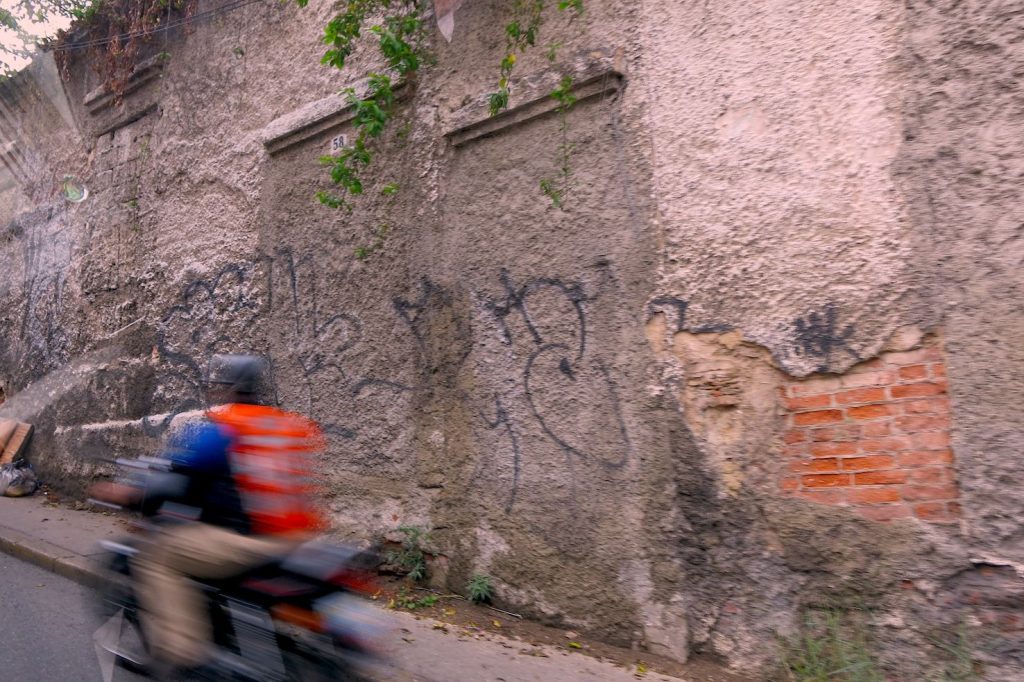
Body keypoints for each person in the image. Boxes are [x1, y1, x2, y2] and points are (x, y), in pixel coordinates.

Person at [91, 354, 326, 673]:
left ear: (229, 389)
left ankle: (182, 651)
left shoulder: (224, 430)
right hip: (297, 542)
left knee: (158, 557)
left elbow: (182, 483)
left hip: (247, 542)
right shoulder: (285, 425)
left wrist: (133, 496)